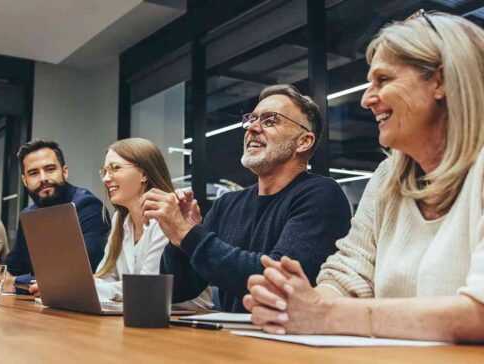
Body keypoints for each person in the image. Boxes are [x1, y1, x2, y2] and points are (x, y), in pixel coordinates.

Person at [244, 11, 484, 342]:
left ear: (440, 81)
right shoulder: (388, 178)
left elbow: (479, 313)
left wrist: (323, 313)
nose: (366, 99)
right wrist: (298, 302)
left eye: (383, 80)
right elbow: (347, 274)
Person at [141, 84, 352, 312]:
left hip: (286, 341)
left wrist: (188, 233)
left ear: (303, 141)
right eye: (251, 119)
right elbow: (179, 290)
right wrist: (178, 240)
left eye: (270, 120)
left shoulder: (321, 194)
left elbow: (275, 283)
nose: (252, 127)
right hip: (233, 340)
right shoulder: (228, 204)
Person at [29, 138, 212, 308]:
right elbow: (106, 276)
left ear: (144, 174)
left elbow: (146, 287)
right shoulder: (120, 220)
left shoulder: (169, 214)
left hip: (188, 320)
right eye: (105, 171)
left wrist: (71, 289)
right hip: (143, 314)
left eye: (115, 168)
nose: (106, 178)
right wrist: (64, 286)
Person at [4, 139, 110, 288]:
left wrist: (16, 281)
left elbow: (81, 272)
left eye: (50, 169)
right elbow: (12, 268)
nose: (43, 178)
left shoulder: (88, 206)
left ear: (64, 172)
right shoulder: (28, 215)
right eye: (34, 173)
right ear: (25, 181)